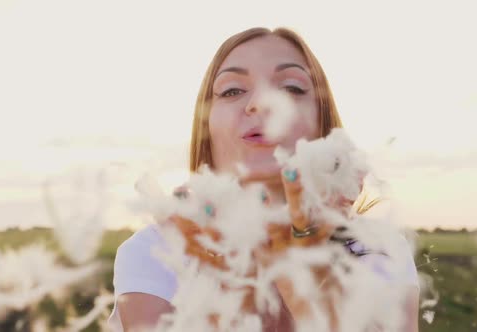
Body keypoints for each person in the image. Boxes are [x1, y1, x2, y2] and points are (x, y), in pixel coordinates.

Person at [107, 27, 420, 332]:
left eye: (292, 88)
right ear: (207, 131)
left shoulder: (375, 249)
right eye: (232, 90)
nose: (262, 102)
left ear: (323, 128)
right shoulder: (158, 251)